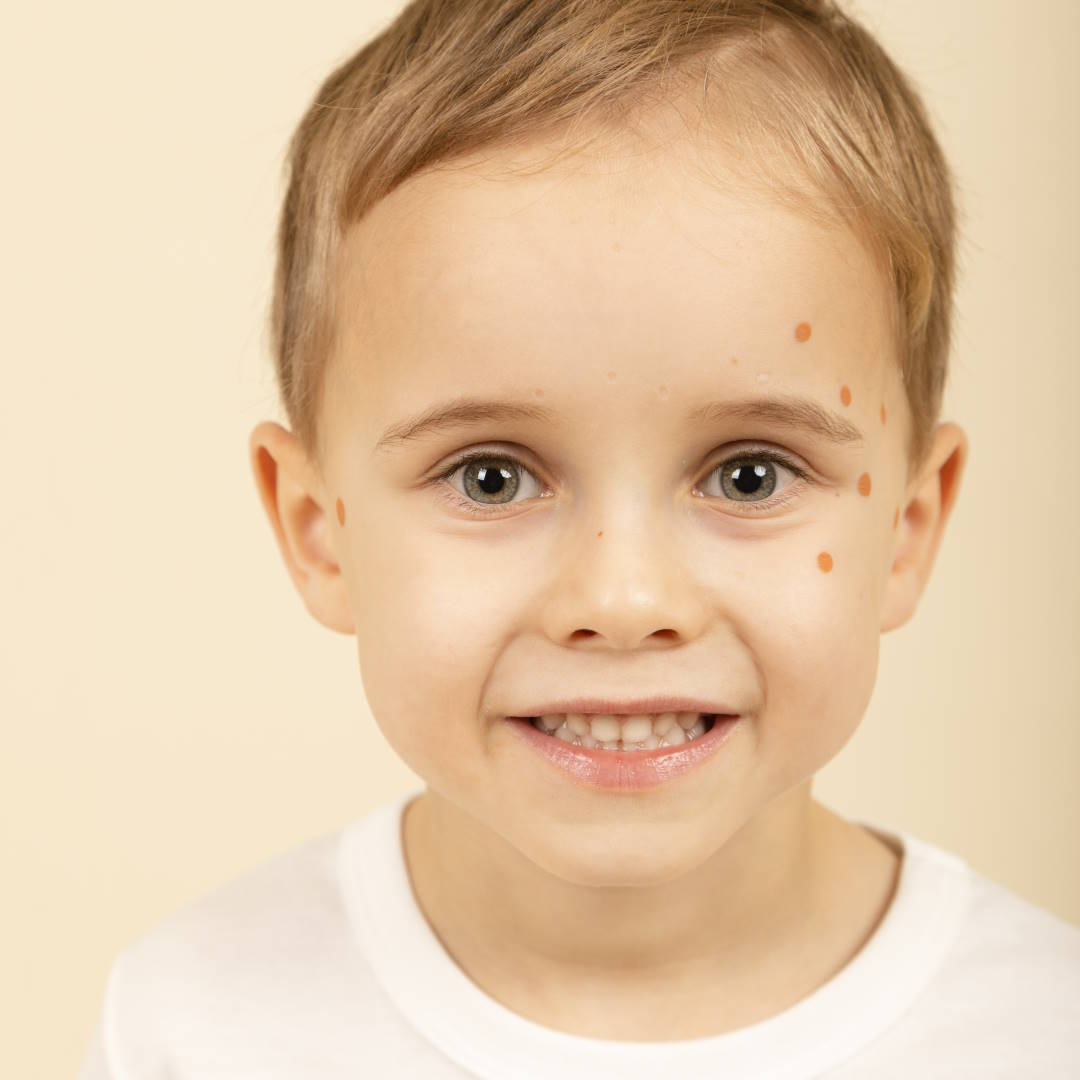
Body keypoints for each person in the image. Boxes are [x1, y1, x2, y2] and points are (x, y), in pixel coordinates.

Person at [78, 1, 1080, 1076]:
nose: (625, 596)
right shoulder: (187, 1028)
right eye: (491, 476)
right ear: (320, 532)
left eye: (749, 474)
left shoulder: (1043, 1033)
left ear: (907, 529)